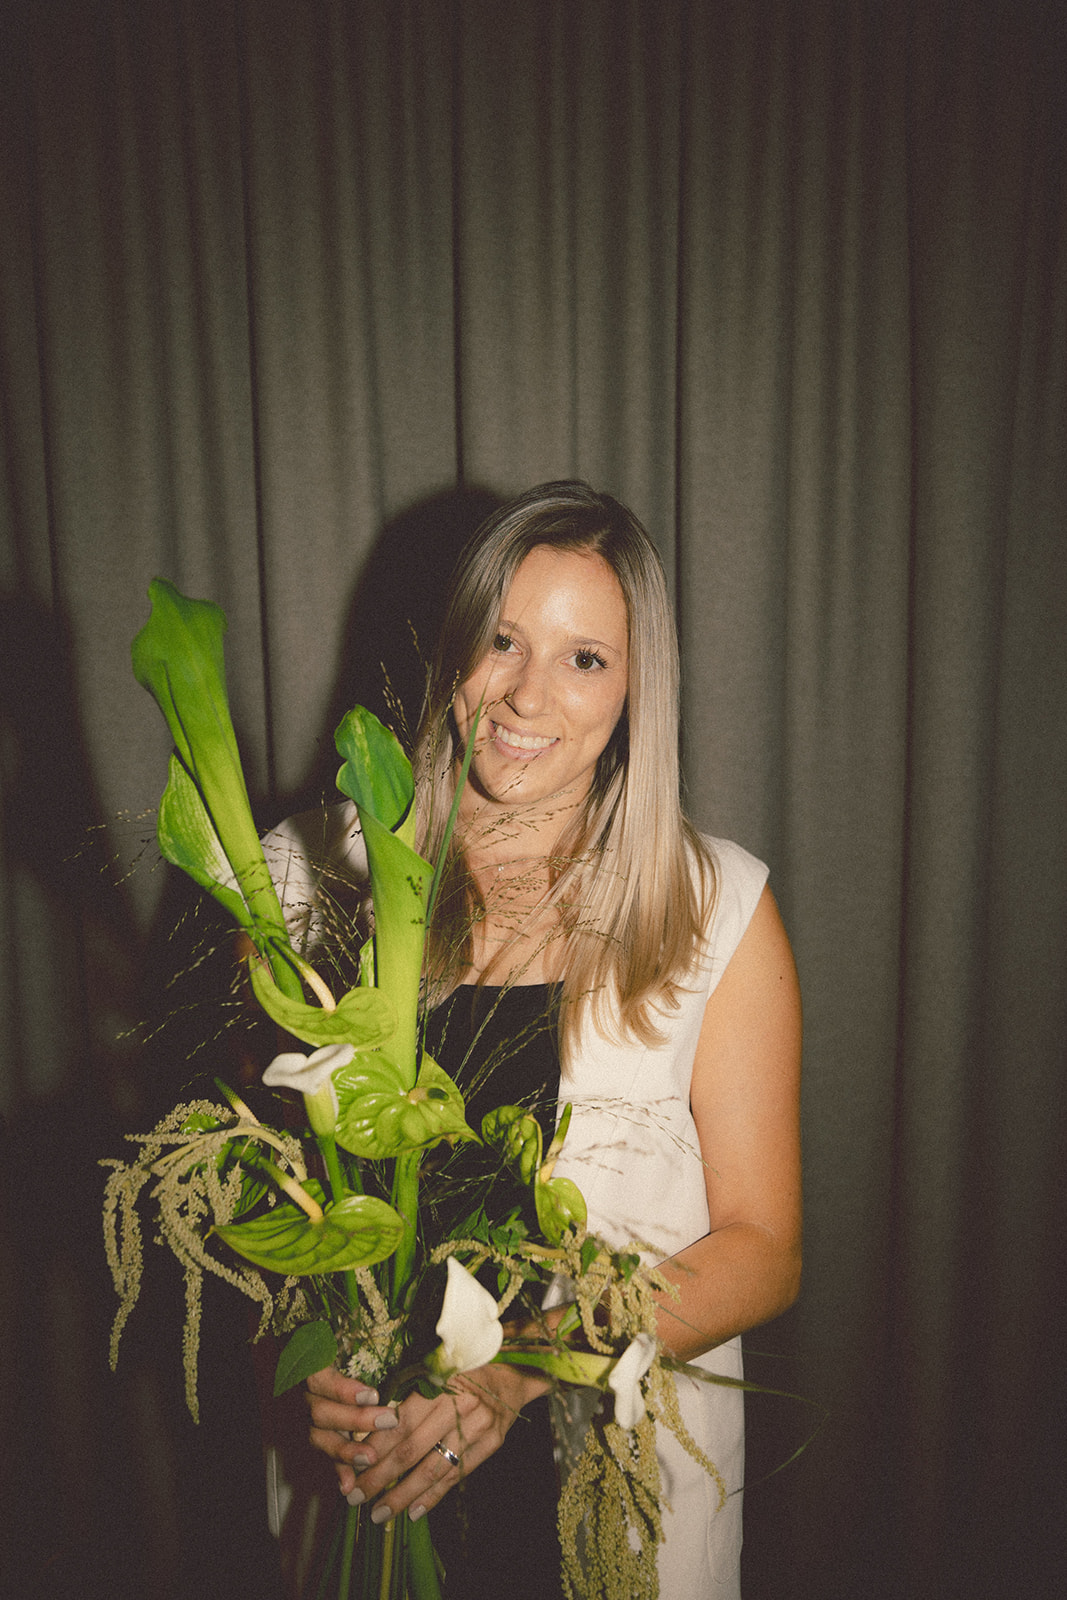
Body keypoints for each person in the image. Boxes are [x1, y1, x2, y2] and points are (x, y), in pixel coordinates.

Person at [276, 482, 802, 1597]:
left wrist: (514, 1370)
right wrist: (305, 1368)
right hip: (367, 1492)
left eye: (583, 658)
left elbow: (763, 1246)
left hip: (600, 1492)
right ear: (452, 644)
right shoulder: (308, 875)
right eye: (501, 639)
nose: (524, 694)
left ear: (635, 688)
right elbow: (261, 1187)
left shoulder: (716, 908)